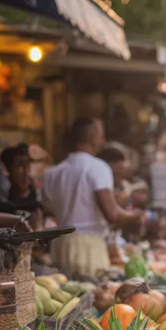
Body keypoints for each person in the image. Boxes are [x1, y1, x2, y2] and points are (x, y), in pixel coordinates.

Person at [41, 118, 145, 278]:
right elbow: (113, 215)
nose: (103, 139)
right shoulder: (98, 168)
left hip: (60, 245)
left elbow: (50, 209)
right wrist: (137, 215)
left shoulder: (53, 172)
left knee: (67, 295)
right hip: (89, 247)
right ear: (93, 138)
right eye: (101, 134)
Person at [0, 144, 43, 228]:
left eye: (28, 164)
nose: (26, 171)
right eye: (20, 165)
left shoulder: (37, 199)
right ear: (9, 170)